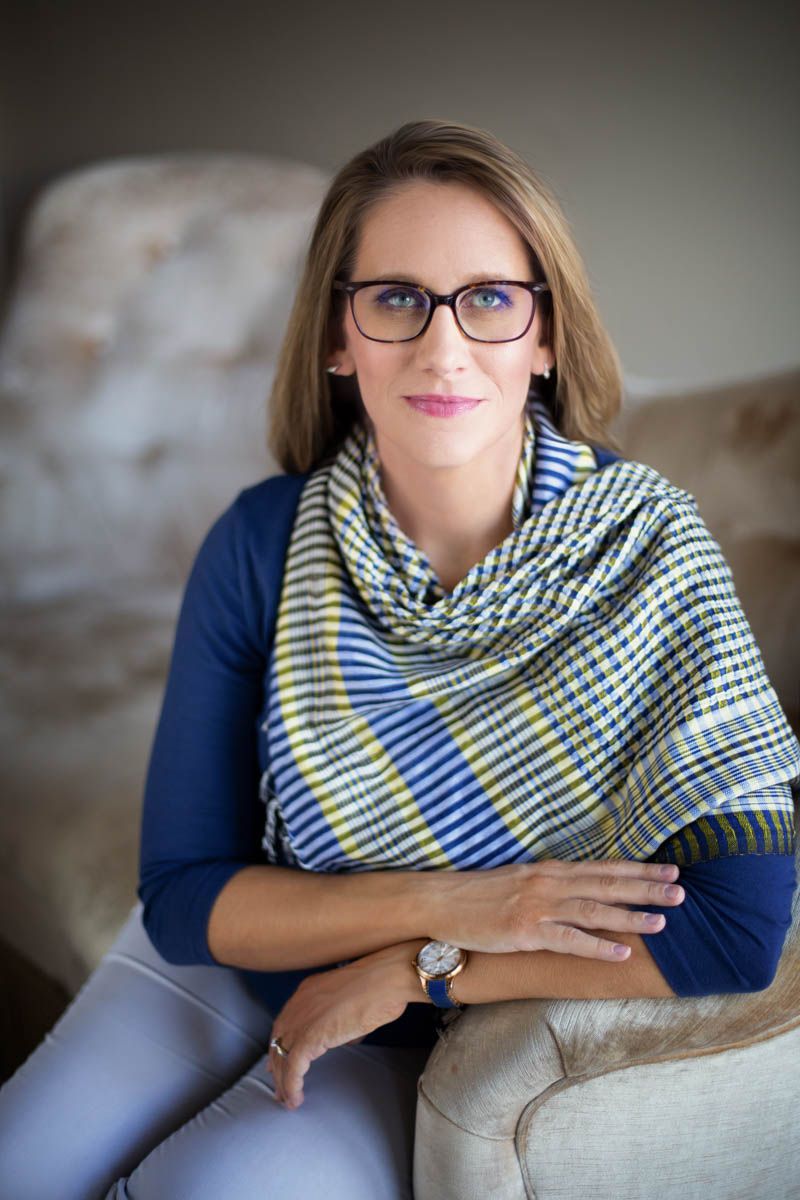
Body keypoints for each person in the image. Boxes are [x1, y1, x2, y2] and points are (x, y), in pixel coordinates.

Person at [1, 118, 798, 1200]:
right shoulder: (263, 539)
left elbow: (736, 934)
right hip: (224, 972)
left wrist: (416, 966)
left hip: (426, 1032)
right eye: (394, 299)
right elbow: (189, 899)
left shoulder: (647, 550)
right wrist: (459, 900)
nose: (441, 346)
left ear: (544, 335)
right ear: (338, 336)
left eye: (487, 298)